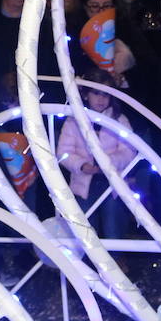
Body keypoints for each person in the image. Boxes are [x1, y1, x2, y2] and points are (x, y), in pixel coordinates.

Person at [56, 68, 138, 238]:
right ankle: (88, 260)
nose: (101, 99)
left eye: (105, 94)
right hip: (84, 182)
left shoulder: (119, 120)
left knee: (113, 223)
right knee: (85, 224)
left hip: (112, 182)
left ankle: (115, 257)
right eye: (96, 93)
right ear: (86, 95)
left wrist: (108, 163)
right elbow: (63, 151)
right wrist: (82, 165)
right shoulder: (73, 120)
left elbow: (129, 151)